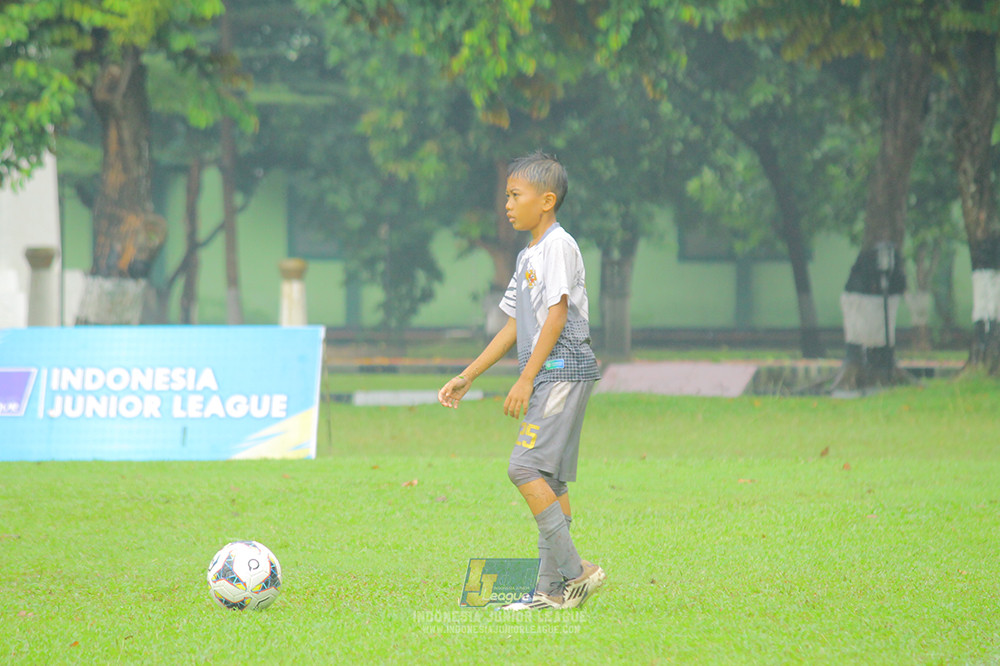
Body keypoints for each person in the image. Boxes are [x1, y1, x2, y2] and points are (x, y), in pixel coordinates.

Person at [438, 150, 605, 610]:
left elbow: (556, 316)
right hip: (554, 374)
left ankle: (577, 572)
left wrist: (526, 378)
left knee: (524, 468)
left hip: (561, 371)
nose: (507, 204)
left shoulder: (557, 246)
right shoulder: (529, 254)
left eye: (515, 195)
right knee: (549, 478)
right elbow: (514, 324)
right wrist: (468, 375)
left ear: (546, 200)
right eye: (506, 195)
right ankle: (550, 593)